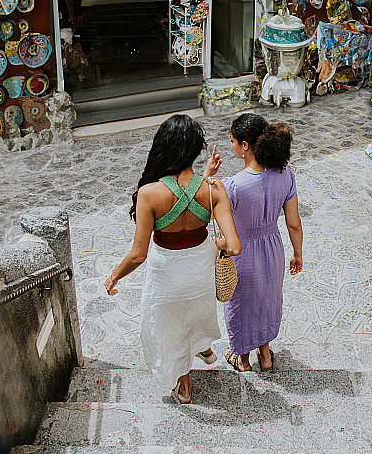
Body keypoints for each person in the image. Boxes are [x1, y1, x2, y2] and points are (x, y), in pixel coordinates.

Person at [104, 114, 241, 404]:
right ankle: (203, 347)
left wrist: (114, 276)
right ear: (196, 150)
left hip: (166, 271)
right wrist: (220, 244)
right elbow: (234, 246)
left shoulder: (148, 194)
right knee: (195, 310)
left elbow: (138, 255)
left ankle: (183, 384)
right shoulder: (214, 188)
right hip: (200, 269)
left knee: (169, 325)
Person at [206, 113, 303, 372]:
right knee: (267, 301)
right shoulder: (286, 174)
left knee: (241, 305)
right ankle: (266, 354)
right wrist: (297, 253)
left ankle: (243, 359)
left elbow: (207, 210)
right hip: (273, 249)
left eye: (233, 141)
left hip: (242, 252)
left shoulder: (232, 185)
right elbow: (294, 223)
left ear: (245, 145)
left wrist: (208, 175)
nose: (231, 146)